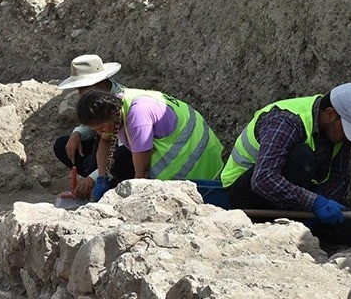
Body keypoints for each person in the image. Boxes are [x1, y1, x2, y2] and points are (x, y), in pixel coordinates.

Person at [221, 82, 351, 248]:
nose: (348, 138)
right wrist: (314, 203)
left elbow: (339, 178)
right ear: (329, 115)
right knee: (302, 157)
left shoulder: (337, 132)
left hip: (295, 195)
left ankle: (299, 227)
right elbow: (263, 179)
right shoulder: (286, 122)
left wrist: (323, 203)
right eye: (347, 130)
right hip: (247, 193)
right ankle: (282, 229)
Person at [76, 88, 224, 200]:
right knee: (119, 160)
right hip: (191, 143)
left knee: (121, 163)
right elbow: (105, 140)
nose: (101, 132)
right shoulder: (119, 104)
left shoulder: (137, 116)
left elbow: (141, 176)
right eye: (96, 130)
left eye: (101, 127)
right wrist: (101, 177)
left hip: (197, 160)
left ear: (111, 115)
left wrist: (134, 200)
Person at [53, 54, 135, 199]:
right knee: (62, 145)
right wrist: (77, 133)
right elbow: (97, 125)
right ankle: (98, 182)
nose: (80, 94)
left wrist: (92, 178)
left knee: (119, 159)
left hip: (124, 152)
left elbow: (125, 149)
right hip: (105, 146)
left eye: (83, 89)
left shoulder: (122, 101)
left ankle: (105, 182)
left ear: (102, 85)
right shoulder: (101, 97)